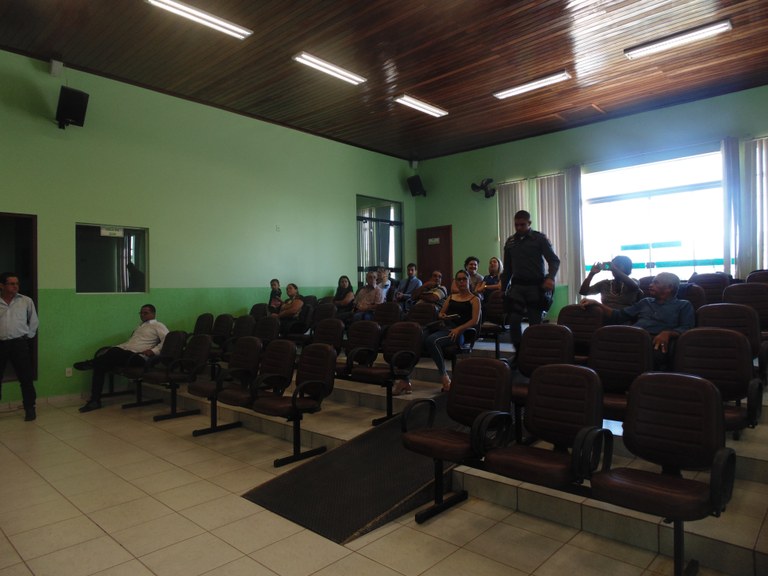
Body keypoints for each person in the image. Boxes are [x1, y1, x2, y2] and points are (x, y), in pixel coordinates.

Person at [580, 271, 694, 369]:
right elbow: (618, 316)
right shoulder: (645, 302)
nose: (650, 285)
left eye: (656, 283)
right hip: (634, 336)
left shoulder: (683, 305)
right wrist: (597, 304)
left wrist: (668, 333)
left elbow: (687, 328)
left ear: (669, 287)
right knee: (602, 345)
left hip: (656, 341)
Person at [77, 304, 169, 413]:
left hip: (139, 357)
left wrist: (154, 351)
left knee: (111, 354)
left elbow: (168, 340)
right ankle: (94, 401)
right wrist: (114, 348)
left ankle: (91, 363)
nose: (142, 315)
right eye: (141, 313)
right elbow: (129, 344)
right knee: (101, 366)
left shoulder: (158, 325)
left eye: (146, 313)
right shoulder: (140, 327)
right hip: (127, 355)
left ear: (153, 314)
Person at [501, 210, 560, 352]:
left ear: (529, 223)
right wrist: (503, 288)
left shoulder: (539, 239)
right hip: (517, 287)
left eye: (522, 224)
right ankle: (519, 352)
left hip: (535, 287)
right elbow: (507, 269)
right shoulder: (510, 242)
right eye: (516, 225)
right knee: (514, 321)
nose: (519, 227)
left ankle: (535, 353)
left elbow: (554, 260)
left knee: (535, 324)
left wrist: (550, 277)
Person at [422, 270, 481, 394]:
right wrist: (443, 316)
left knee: (432, 341)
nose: (461, 282)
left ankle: (444, 377)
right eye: (459, 279)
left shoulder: (474, 299)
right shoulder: (451, 297)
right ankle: (405, 380)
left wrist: (459, 329)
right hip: (446, 327)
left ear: (469, 281)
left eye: (464, 279)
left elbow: (475, 321)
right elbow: (441, 313)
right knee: (420, 336)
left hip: (460, 332)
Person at [0, 272, 39, 421]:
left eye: (17, 283)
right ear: (2, 285)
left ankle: (30, 408)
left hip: (19, 343)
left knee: (26, 378)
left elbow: (34, 321)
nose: (15, 286)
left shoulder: (25, 301)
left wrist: (28, 336)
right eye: (11, 283)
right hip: (1, 343)